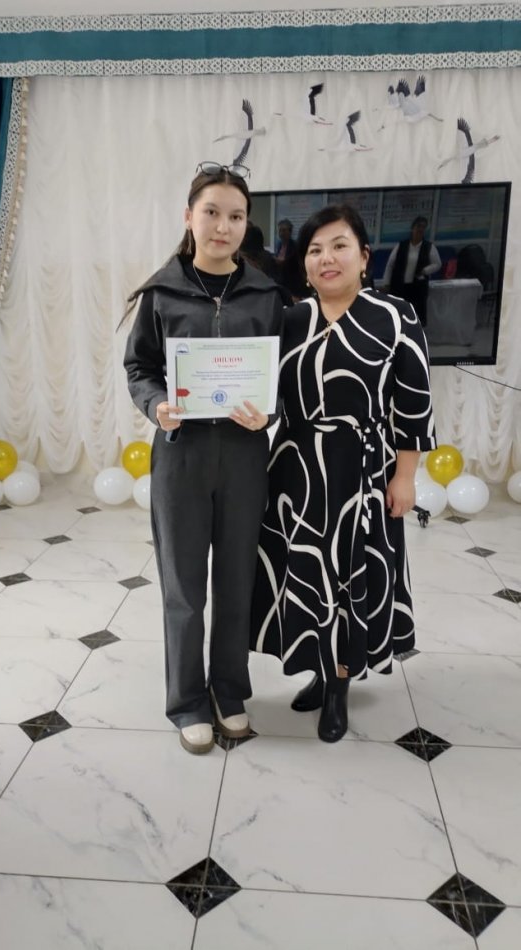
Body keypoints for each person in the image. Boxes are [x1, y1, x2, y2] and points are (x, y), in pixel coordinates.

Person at [250, 204, 436, 743]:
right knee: (305, 573)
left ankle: (339, 685)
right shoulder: (290, 321)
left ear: (363, 257)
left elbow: (414, 404)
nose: (326, 258)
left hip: (365, 470)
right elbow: (268, 396)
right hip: (296, 471)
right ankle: (317, 667)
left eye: (338, 246)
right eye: (315, 250)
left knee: (353, 578)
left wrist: (405, 477)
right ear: (304, 264)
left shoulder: (395, 315)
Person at [124, 162, 284, 755]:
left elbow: (285, 378)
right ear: (188, 217)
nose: (223, 226)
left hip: (244, 458)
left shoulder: (267, 295)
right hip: (182, 457)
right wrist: (157, 404)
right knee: (184, 587)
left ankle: (229, 691)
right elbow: (139, 367)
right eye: (211, 212)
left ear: (247, 224)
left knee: (237, 581)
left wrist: (269, 414)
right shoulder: (162, 292)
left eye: (236, 216)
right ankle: (188, 700)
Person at [382, 216, 441, 326]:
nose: (420, 230)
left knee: (415, 314)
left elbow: (437, 264)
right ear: (412, 228)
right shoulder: (402, 245)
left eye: (423, 227)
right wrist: (386, 282)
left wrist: (425, 270)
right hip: (400, 286)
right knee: (398, 313)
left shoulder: (428, 247)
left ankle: (414, 333)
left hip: (417, 287)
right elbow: (390, 264)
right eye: (418, 226)